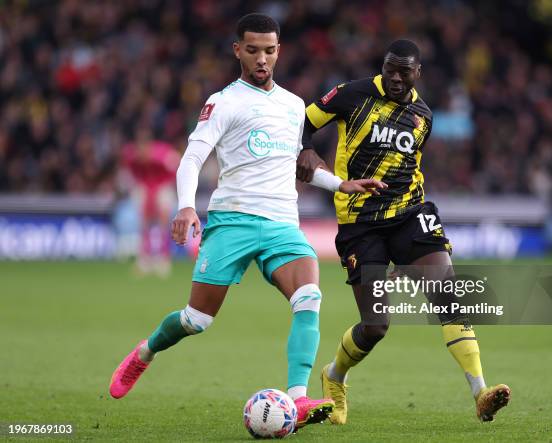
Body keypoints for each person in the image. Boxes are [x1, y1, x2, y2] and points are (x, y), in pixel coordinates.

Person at [108, 13, 385, 430]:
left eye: (269, 50)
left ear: (279, 51)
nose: (261, 59)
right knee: (196, 320)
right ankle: (144, 353)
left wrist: (340, 185)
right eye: (252, 50)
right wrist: (186, 206)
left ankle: (298, 400)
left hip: (281, 223)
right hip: (233, 221)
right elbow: (193, 157)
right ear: (238, 50)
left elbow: (296, 163)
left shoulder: (293, 106)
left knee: (309, 297)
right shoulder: (224, 101)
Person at [297, 39, 511, 424]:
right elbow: (303, 123)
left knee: (446, 292)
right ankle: (334, 375)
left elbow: (408, 165)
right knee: (376, 326)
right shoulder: (352, 94)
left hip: (409, 213)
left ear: (418, 74)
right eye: (389, 69)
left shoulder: (422, 115)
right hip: (360, 222)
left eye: (404, 72)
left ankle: (480, 391)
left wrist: (406, 251)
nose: (395, 78)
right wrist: (306, 150)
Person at [120, 126, 179, 276]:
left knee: (163, 220)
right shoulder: (131, 155)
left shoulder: (163, 153)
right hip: (145, 185)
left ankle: (163, 257)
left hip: (162, 184)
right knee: (144, 221)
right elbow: (131, 173)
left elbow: (176, 166)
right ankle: (144, 258)